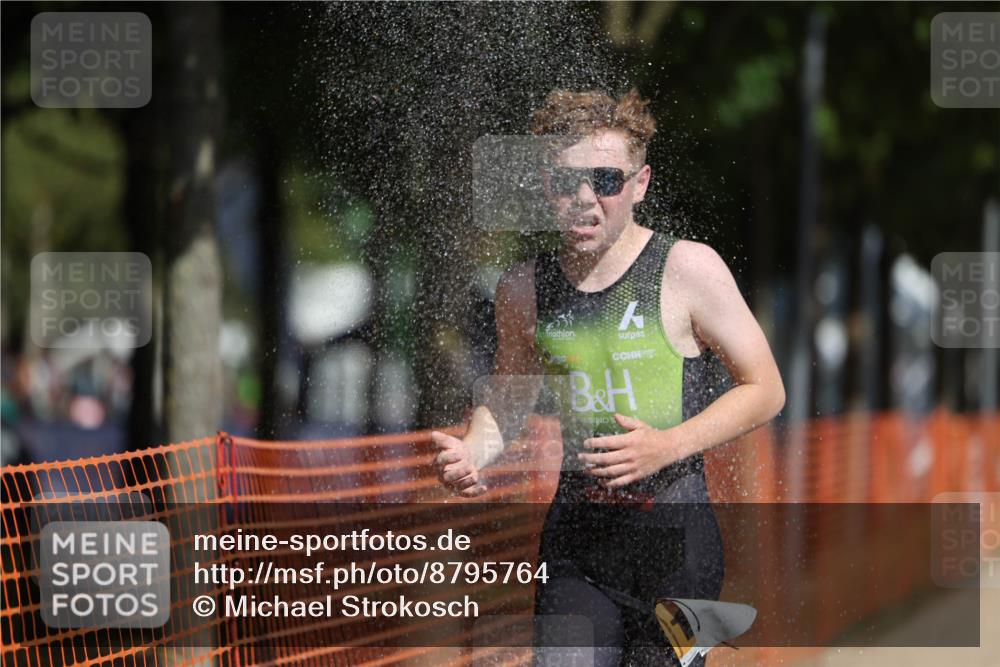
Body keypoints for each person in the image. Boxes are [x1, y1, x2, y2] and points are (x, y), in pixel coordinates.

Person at [431, 88, 785, 667]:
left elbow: (766, 389)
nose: (585, 199)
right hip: (576, 545)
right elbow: (508, 401)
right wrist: (473, 450)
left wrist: (667, 445)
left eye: (606, 180)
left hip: (677, 549)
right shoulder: (522, 289)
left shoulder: (687, 269)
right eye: (565, 181)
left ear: (639, 183)